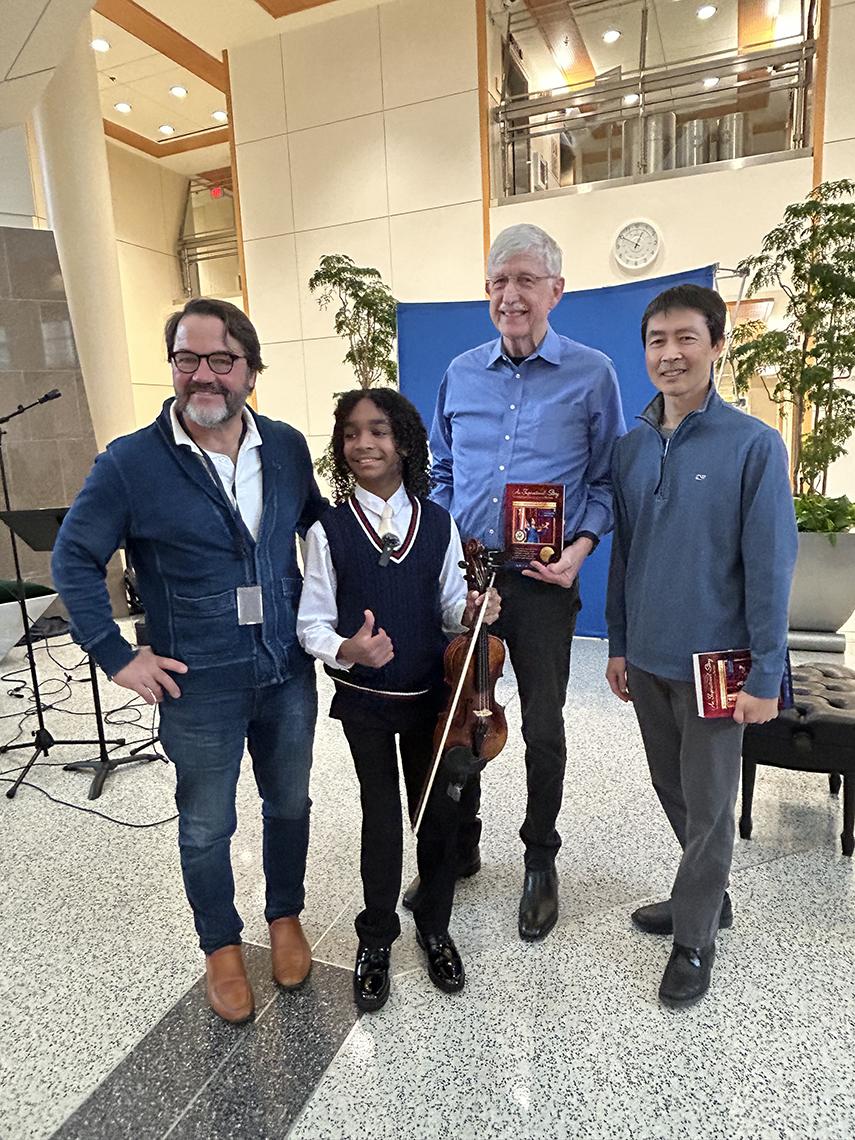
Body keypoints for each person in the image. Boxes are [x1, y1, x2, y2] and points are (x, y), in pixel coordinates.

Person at [51, 298, 326, 1024]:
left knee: (289, 803)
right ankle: (220, 947)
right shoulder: (131, 463)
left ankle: (284, 916)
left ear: (250, 370)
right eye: (187, 360)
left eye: (221, 361)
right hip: (195, 683)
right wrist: (114, 654)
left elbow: (321, 539)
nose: (203, 376)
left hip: (286, 671)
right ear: (173, 366)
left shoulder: (289, 447)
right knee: (206, 824)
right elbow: (73, 558)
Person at [422, 223, 626, 941]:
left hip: (544, 581)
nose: (510, 295)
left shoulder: (592, 373)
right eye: (498, 282)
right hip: (469, 579)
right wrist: (446, 552)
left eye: (525, 281)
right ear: (487, 292)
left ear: (555, 291)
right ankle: (459, 842)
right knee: (458, 711)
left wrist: (578, 549)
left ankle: (540, 858)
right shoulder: (460, 372)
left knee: (543, 724)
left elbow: (603, 481)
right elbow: (441, 473)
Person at [605, 283, 797, 1008]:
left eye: (686, 338)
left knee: (711, 802)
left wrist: (766, 673)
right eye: (656, 341)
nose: (670, 354)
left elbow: (771, 563)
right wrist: (618, 643)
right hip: (648, 659)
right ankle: (706, 892)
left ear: (717, 346)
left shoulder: (752, 444)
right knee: (672, 786)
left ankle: (694, 939)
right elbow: (625, 557)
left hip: (719, 666)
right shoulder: (630, 447)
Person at [297, 389, 499, 1011]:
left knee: (438, 816)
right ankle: (377, 935)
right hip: (363, 700)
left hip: (431, 700)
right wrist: (347, 650)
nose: (365, 444)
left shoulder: (438, 523)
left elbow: (443, 608)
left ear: (405, 443)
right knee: (381, 818)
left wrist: (468, 611)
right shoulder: (328, 530)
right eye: (352, 434)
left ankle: (435, 926)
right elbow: (311, 624)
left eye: (379, 431)